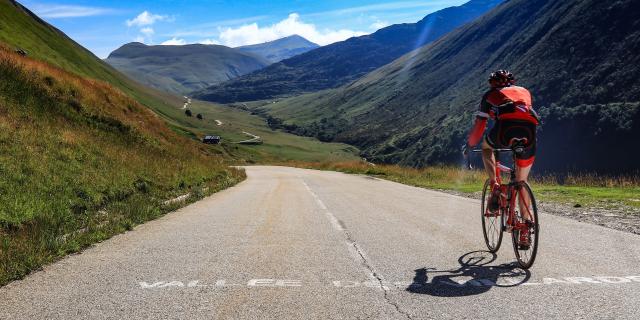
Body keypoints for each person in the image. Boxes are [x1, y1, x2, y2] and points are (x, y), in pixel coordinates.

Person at [463, 70, 539, 248]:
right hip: (529, 132)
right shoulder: (525, 91)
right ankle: (525, 230)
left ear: (492, 84)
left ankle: (495, 185)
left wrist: (469, 144)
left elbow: (480, 125)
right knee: (522, 181)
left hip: (504, 130)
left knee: (486, 148)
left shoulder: (490, 95)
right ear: (512, 82)